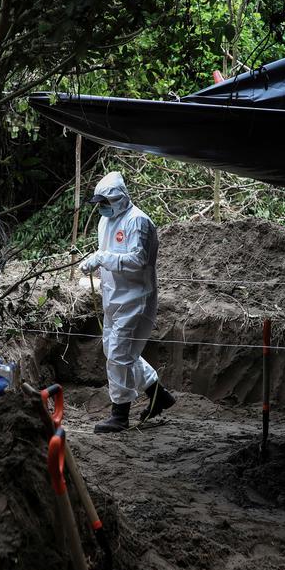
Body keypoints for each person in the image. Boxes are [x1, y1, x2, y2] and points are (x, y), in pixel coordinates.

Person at [80, 172, 177, 432]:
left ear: (119, 198)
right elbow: (108, 255)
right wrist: (97, 260)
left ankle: (120, 414)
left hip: (136, 298)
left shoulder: (138, 221)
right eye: (99, 203)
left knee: (119, 355)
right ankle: (158, 395)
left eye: (105, 202)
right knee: (116, 351)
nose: (101, 207)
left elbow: (139, 260)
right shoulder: (105, 221)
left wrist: (102, 258)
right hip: (113, 297)